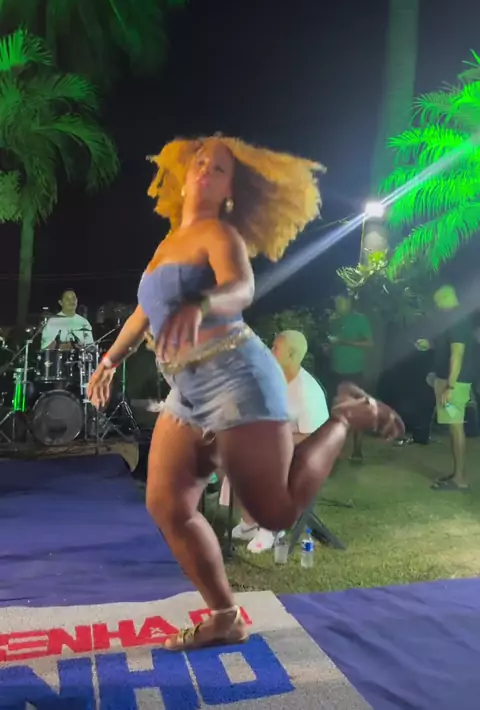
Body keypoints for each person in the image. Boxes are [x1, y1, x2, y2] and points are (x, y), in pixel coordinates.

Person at [87, 134, 403, 651]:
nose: (206, 171)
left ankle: (347, 413)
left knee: (276, 514)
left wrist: (202, 303)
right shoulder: (168, 243)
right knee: (167, 504)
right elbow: (144, 313)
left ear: (231, 191)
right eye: (201, 162)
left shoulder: (219, 234)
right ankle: (225, 617)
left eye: (220, 169)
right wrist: (109, 361)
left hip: (238, 380)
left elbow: (241, 288)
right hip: (187, 390)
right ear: (182, 175)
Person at [233, 329, 329, 552]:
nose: (270, 350)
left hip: (305, 453)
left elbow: (311, 436)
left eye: (276, 347)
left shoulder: (307, 390)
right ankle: (249, 523)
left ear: (292, 355)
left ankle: (271, 529)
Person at [416, 284, 474, 491]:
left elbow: (457, 353)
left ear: (448, 297)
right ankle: (457, 474)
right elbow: (447, 346)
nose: (437, 305)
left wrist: (450, 385)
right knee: (453, 426)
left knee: (456, 426)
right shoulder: (454, 319)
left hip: (454, 383)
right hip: (449, 381)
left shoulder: (457, 318)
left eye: (438, 301)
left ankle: (459, 479)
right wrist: (429, 345)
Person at [328, 294, 373, 462]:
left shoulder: (359, 319)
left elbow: (369, 343)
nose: (337, 305)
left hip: (354, 373)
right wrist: (329, 348)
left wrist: (344, 342)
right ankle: (334, 451)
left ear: (349, 302)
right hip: (336, 371)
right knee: (337, 412)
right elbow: (335, 343)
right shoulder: (334, 320)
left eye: (340, 302)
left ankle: (357, 451)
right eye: (336, 302)